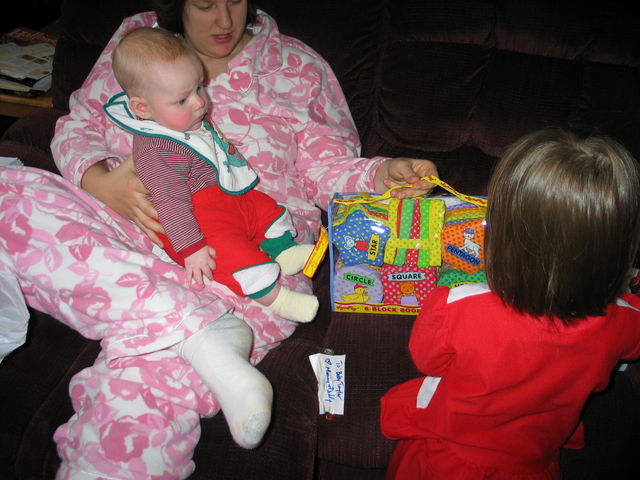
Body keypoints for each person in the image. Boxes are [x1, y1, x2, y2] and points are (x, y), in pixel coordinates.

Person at [0, 0, 438, 478]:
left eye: (235, 1)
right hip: (124, 235)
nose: (225, 21)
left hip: (245, 262)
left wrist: (382, 175)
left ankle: (183, 332)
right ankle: (197, 330)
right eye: (206, 4)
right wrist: (97, 181)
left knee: (144, 389)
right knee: (7, 190)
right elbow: (78, 124)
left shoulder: (297, 67)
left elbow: (326, 168)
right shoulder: (136, 40)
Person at [380, 128, 640, 480]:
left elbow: (427, 360)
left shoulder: (456, 305)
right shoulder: (625, 318)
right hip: (535, 457)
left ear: (502, 234)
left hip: (447, 454)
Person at [107, 26, 318, 324]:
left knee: (264, 208)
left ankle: (283, 251)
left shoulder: (185, 118)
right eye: (182, 100)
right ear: (142, 108)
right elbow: (170, 203)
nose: (199, 102)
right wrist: (192, 248)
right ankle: (279, 299)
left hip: (223, 197)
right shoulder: (156, 150)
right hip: (195, 221)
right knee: (231, 254)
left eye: (199, 88)